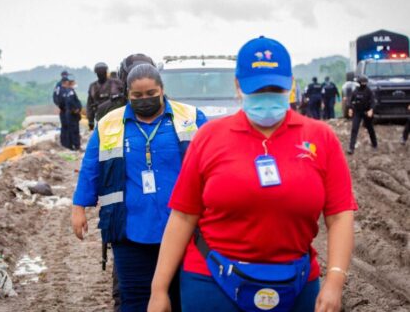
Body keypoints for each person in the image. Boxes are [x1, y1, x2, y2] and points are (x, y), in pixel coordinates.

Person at [148, 36, 357, 312]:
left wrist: (334, 281)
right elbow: (184, 215)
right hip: (212, 282)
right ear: (238, 86)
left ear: (291, 84)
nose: (267, 96)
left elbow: (340, 214)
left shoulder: (321, 138)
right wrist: (159, 290)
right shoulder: (209, 138)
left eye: (275, 88)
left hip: (296, 284)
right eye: (257, 90)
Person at [71, 64, 207, 312]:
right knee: (134, 299)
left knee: (182, 299)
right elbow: (91, 167)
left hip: (184, 229)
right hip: (129, 230)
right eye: (137, 96)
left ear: (162, 89)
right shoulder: (109, 124)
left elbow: (214, 165)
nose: (145, 100)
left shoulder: (191, 117)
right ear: (127, 94)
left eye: (151, 93)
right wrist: (78, 207)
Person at [87, 62, 125, 131]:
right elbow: (89, 104)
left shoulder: (117, 83)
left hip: (116, 116)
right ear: (96, 73)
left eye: (102, 71)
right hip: (100, 117)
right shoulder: (93, 86)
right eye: (99, 72)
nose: (101, 74)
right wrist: (90, 120)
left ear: (106, 72)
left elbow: (125, 97)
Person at [347, 75, 377, 154]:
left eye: (365, 82)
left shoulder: (369, 91)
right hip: (357, 112)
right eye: (362, 82)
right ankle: (351, 148)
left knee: (370, 128)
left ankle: (374, 144)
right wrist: (350, 108)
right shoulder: (355, 91)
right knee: (354, 129)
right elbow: (350, 101)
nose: (364, 84)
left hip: (366, 112)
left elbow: (373, 101)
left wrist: (371, 110)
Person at [53, 73, 70, 148]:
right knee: (64, 126)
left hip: (69, 109)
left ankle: (69, 143)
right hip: (63, 109)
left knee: (70, 126)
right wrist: (59, 105)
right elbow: (55, 96)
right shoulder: (59, 85)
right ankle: (64, 143)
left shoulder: (68, 83)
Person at [65, 77, 82, 151]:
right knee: (74, 130)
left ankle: (72, 146)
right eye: (74, 83)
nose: (75, 85)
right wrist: (75, 109)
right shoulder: (70, 92)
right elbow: (70, 101)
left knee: (72, 130)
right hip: (72, 114)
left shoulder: (69, 91)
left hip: (72, 114)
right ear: (71, 83)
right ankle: (76, 146)